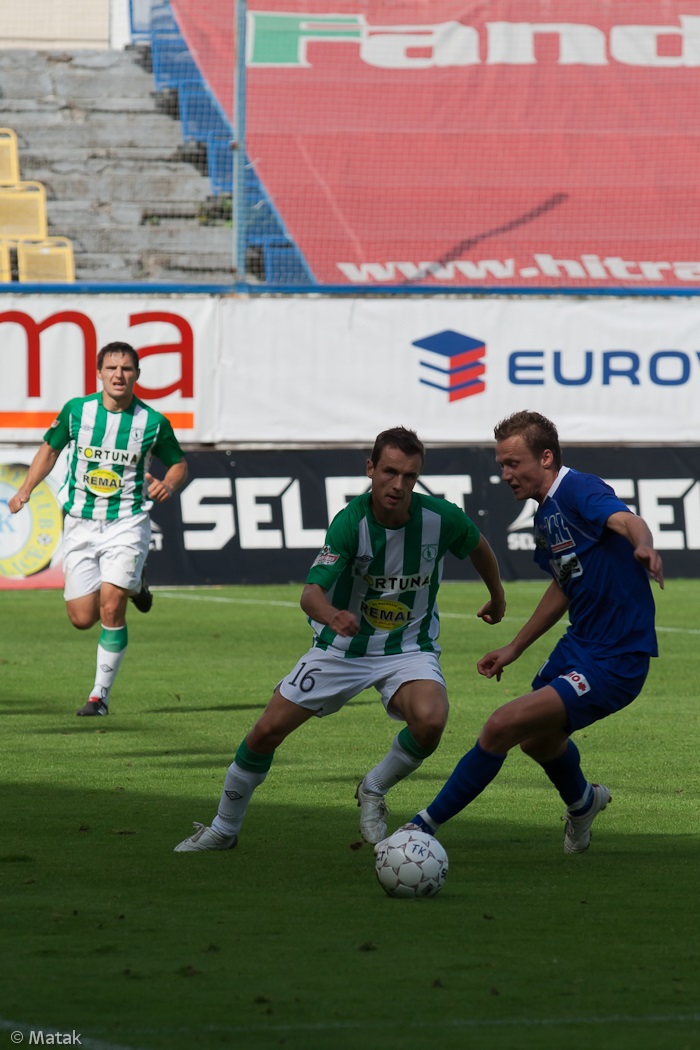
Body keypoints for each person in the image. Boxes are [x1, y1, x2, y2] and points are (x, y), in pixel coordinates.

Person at [174, 425, 506, 852]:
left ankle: (373, 787)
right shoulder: (351, 523)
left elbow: (479, 545)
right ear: (370, 468)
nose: (398, 485)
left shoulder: (440, 518)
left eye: (409, 476)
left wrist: (496, 595)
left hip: (408, 648)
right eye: (389, 472)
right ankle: (223, 829)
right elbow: (310, 594)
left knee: (431, 721)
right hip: (341, 650)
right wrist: (333, 615)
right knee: (265, 733)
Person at [399, 410, 664, 854]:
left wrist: (644, 544)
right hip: (580, 646)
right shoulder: (544, 518)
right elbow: (564, 585)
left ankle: (421, 826)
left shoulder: (578, 489)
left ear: (545, 458)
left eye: (512, 463)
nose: (505, 474)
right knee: (538, 741)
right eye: (501, 464)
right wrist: (514, 647)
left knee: (501, 725)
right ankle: (583, 802)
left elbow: (626, 520)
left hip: (617, 658)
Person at [8, 341, 187, 717]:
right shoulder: (78, 412)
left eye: (126, 369)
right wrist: (25, 490)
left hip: (127, 522)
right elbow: (50, 450)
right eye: (111, 368)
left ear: (137, 375)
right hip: (80, 524)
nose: (118, 375)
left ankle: (98, 697)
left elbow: (178, 464)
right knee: (82, 618)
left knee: (110, 605)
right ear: (99, 372)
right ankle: (138, 583)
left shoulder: (152, 422)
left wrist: (168, 484)